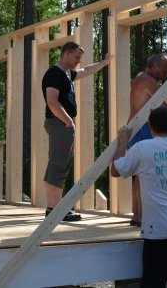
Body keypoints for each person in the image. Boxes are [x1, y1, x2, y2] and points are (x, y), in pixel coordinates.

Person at [110, 107, 167, 287]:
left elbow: (116, 170)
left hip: (160, 228)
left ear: (150, 126)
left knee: (153, 282)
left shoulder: (143, 148)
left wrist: (123, 141)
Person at [42, 42, 111, 221]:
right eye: (76, 57)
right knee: (60, 166)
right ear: (66, 54)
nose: (78, 62)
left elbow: (85, 71)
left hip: (60, 124)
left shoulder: (66, 74)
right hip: (60, 125)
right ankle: (58, 211)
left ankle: (52, 209)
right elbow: (51, 101)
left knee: (54, 165)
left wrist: (104, 63)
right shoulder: (54, 74)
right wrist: (68, 121)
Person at [128, 54, 167, 226]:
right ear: (153, 66)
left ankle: (137, 215)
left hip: (136, 128)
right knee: (144, 174)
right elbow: (162, 104)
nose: (165, 74)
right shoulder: (148, 80)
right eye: (163, 70)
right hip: (141, 128)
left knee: (139, 174)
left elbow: (150, 100)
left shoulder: (141, 78)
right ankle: (140, 216)